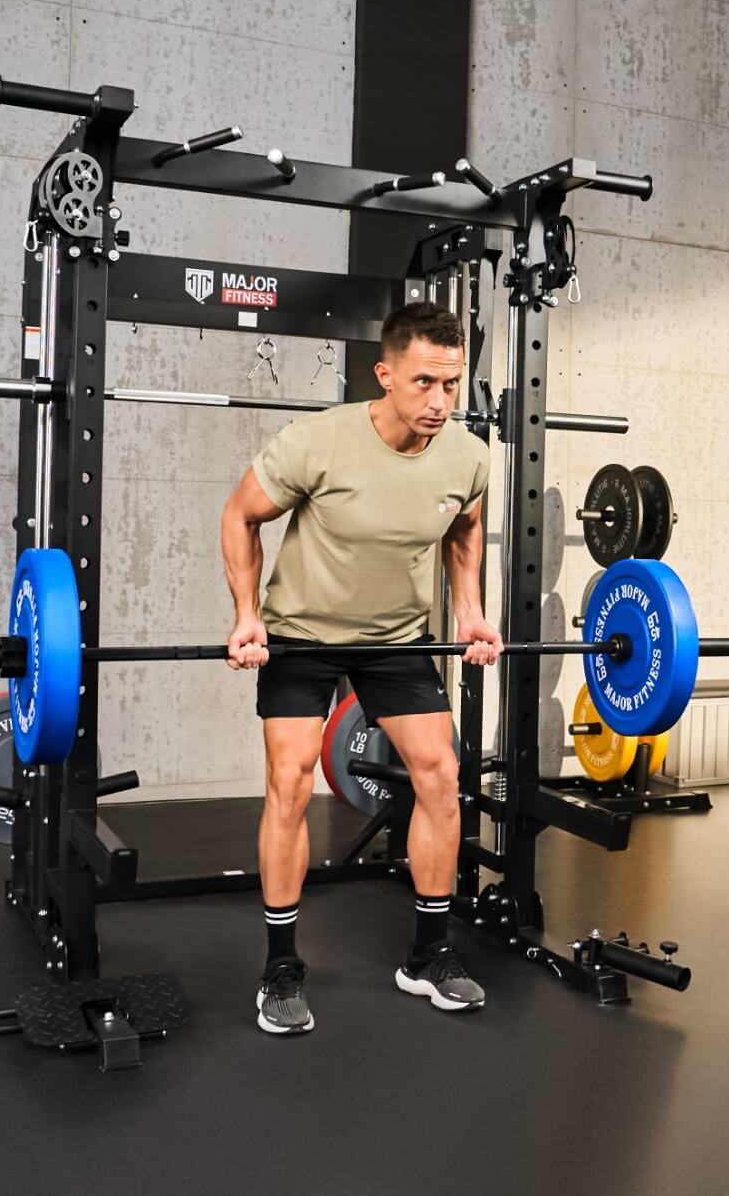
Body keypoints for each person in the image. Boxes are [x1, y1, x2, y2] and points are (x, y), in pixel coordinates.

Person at [219, 301, 500, 1035]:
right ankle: (281, 966)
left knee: (440, 773)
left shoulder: (468, 455)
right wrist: (248, 612)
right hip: (303, 634)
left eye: (452, 383)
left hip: (395, 637)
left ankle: (429, 955)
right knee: (289, 781)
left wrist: (468, 610)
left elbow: (465, 528)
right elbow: (241, 514)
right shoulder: (320, 441)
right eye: (423, 383)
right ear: (385, 374)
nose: (440, 401)